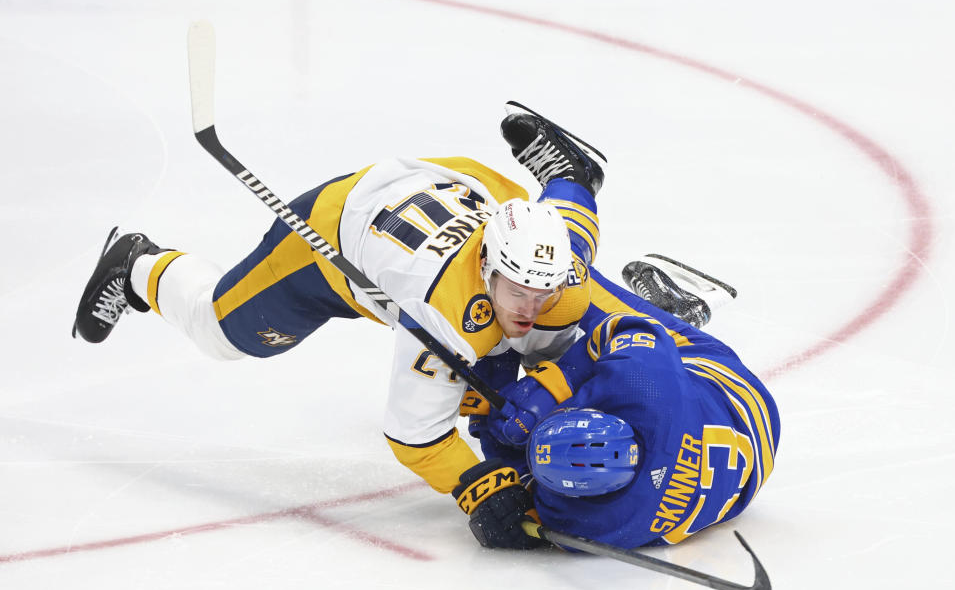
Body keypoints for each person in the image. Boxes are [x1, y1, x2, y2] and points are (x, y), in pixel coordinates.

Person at [72, 102, 607, 540]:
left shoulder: (554, 271)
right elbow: (414, 436)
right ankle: (138, 264)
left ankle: (570, 175)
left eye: (544, 291)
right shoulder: (444, 313)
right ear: (487, 267)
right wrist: (474, 484)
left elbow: (566, 249)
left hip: (458, 184)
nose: (531, 307)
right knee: (221, 331)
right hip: (335, 230)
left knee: (561, 288)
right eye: (518, 292)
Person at [458, 262, 778, 549]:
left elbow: (511, 486)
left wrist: (491, 415)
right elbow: (629, 327)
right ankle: (580, 197)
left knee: (554, 305)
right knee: (566, 280)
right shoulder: (642, 387)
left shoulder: (580, 519)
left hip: (751, 446)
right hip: (731, 391)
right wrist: (554, 383)